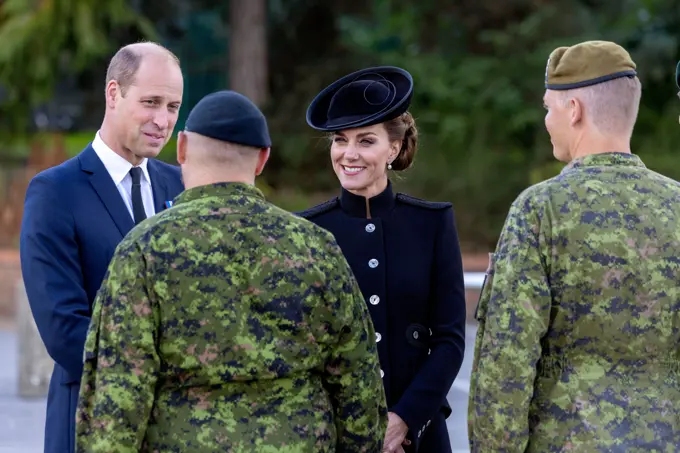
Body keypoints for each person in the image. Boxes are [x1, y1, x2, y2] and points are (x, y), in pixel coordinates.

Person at [74, 90, 388, 453]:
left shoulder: (144, 249)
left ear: (182, 149)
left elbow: (118, 397)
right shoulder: (317, 247)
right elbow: (358, 384)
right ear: (262, 160)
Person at [468, 40, 680, 451]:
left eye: (549, 107)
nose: (547, 119)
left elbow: (506, 362)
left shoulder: (539, 210)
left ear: (574, 110)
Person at [19, 41, 185, 453]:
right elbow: (64, 331)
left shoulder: (182, 186)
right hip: (91, 421)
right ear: (114, 93)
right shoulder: (54, 192)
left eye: (172, 107)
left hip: (178, 429)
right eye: (150, 102)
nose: (162, 120)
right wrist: (167, 373)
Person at [297, 66, 466, 453]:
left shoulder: (432, 223)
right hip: (334, 436)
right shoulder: (306, 232)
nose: (348, 154)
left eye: (365, 141)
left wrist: (404, 418)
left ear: (393, 148)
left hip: (418, 436)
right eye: (340, 140)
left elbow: (449, 340)